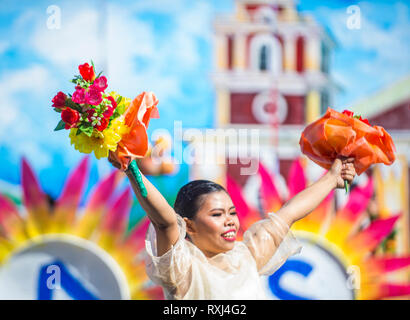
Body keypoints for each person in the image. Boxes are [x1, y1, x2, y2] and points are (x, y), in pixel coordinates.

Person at [108, 153, 356, 299]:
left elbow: (290, 213)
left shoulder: (247, 257)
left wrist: (332, 178)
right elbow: (165, 222)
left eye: (232, 212)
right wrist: (132, 169)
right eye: (217, 214)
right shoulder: (182, 267)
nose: (230, 220)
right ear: (189, 226)